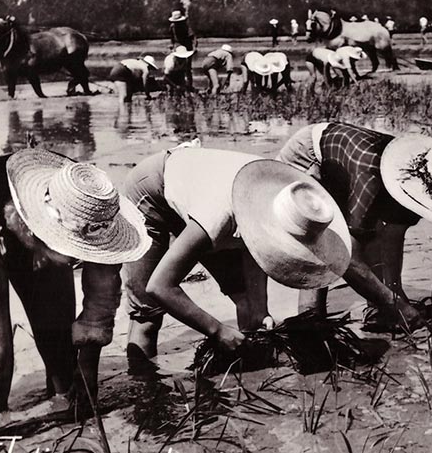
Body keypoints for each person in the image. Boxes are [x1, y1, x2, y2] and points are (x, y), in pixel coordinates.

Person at [123, 141, 350, 364]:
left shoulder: (276, 196)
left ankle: (246, 362)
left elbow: (256, 248)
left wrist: (261, 311)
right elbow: (160, 287)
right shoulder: (219, 216)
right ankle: (145, 389)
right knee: (148, 316)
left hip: (202, 189)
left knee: (248, 305)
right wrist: (217, 330)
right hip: (151, 189)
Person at [0, 149, 150, 433]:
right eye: (69, 250)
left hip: (48, 219)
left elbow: (100, 303)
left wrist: (88, 369)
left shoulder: (94, 206)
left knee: (61, 358)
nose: (74, 260)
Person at [275, 123, 432, 332]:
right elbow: (346, 258)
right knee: (319, 241)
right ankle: (311, 319)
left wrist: (397, 296)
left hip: (353, 157)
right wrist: (396, 306)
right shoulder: (371, 179)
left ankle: (378, 307)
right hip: (311, 155)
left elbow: (393, 234)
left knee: (371, 234)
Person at [169, 10, 196, 90]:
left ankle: (189, 85)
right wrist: (172, 45)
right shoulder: (172, 26)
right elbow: (172, 37)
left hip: (187, 47)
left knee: (187, 67)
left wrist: (194, 47)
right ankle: (178, 84)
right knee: (176, 65)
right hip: (177, 46)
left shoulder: (186, 26)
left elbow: (193, 37)